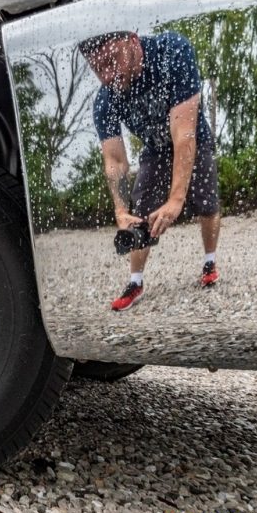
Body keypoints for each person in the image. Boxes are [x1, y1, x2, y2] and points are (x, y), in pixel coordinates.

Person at [79, 30, 221, 311]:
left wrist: (176, 200)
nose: (107, 76)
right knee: (138, 213)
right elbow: (115, 161)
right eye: (98, 70)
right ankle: (135, 281)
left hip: (194, 137)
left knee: (207, 204)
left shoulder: (172, 51)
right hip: (155, 149)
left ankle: (209, 261)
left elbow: (183, 135)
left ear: (132, 41)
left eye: (111, 62)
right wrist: (120, 210)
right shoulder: (106, 99)